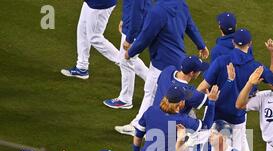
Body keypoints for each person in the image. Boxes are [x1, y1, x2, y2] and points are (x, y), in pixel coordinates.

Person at [197, 28, 273, 151]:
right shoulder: (256, 67)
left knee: (205, 144)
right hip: (238, 115)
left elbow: (204, 85)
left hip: (216, 112)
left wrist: (191, 101)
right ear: (250, 43)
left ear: (233, 42)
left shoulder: (221, 61)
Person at [114, 0, 209, 136]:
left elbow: (145, 37)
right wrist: (201, 45)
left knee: (151, 92)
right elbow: (190, 26)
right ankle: (189, 127)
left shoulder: (157, 11)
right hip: (178, 59)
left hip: (162, 62)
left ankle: (138, 126)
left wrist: (130, 52)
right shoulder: (181, 4)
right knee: (172, 95)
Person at [103, 0, 150, 109]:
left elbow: (137, 13)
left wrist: (129, 38)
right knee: (131, 59)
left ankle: (125, 100)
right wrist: (124, 19)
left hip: (134, 29)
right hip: (135, 25)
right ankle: (156, 84)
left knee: (126, 62)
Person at [61, 0, 120, 79]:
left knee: (95, 37)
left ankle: (124, 61)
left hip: (100, 3)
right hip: (91, 2)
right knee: (83, 30)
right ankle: (82, 68)